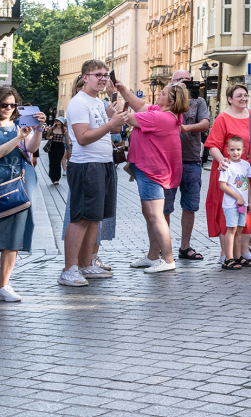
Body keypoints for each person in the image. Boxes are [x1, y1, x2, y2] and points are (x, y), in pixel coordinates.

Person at [61, 60, 128, 288]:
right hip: (86, 165)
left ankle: (86, 263)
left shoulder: (98, 102)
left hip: (103, 163)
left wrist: (114, 114)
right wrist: (110, 125)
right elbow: (82, 137)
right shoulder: (79, 103)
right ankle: (69, 269)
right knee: (81, 218)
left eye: (105, 74)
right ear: (84, 77)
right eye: (97, 74)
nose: (102, 78)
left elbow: (117, 128)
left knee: (94, 219)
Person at [117, 81, 191, 273]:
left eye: (163, 92)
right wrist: (123, 89)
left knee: (156, 216)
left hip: (152, 171)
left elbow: (128, 118)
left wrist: (115, 103)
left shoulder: (160, 117)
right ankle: (152, 256)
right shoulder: (166, 113)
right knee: (150, 215)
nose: (159, 93)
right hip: (149, 169)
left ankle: (167, 259)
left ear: (171, 100)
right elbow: (140, 106)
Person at [204, 84, 251, 266]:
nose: (244, 98)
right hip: (229, 172)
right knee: (228, 210)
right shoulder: (223, 118)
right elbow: (212, 145)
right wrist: (222, 161)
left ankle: (243, 250)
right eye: (239, 95)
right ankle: (226, 253)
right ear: (230, 99)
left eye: (246, 95)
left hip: (250, 171)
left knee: (249, 209)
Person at [0, 88, 44, 302]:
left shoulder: (20, 125)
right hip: (2, 180)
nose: (9, 109)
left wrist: (39, 130)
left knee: (13, 235)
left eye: (13, 105)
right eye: (4, 105)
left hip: (18, 184)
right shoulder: (17, 130)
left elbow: (31, 149)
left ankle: (4, 284)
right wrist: (19, 136)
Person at [162, 70, 211, 262]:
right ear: (172, 83)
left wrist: (186, 128)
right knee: (165, 207)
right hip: (168, 161)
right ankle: (164, 247)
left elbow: (205, 124)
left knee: (190, 205)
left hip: (191, 159)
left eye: (188, 80)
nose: (185, 83)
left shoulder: (198, 102)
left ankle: (185, 246)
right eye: (180, 80)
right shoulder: (167, 100)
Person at [219, 136, 251, 269]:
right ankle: (228, 259)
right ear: (227, 150)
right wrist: (237, 197)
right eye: (232, 149)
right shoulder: (226, 165)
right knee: (231, 229)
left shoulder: (246, 165)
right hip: (231, 204)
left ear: (243, 150)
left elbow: (247, 184)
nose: (235, 152)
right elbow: (222, 185)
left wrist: (249, 201)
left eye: (238, 149)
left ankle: (238, 256)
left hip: (243, 204)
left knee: (239, 230)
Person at [43, 117, 67, 185]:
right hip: (52, 146)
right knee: (52, 162)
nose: (56, 121)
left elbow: (67, 141)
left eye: (58, 120)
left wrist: (69, 149)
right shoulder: (51, 129)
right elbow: (46, 137)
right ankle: (52, 177)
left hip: (60, 147)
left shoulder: (64, 130)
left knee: (58, 162)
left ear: (61, 122)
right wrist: (49, 137)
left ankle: (56, 178)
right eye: (56, 120)